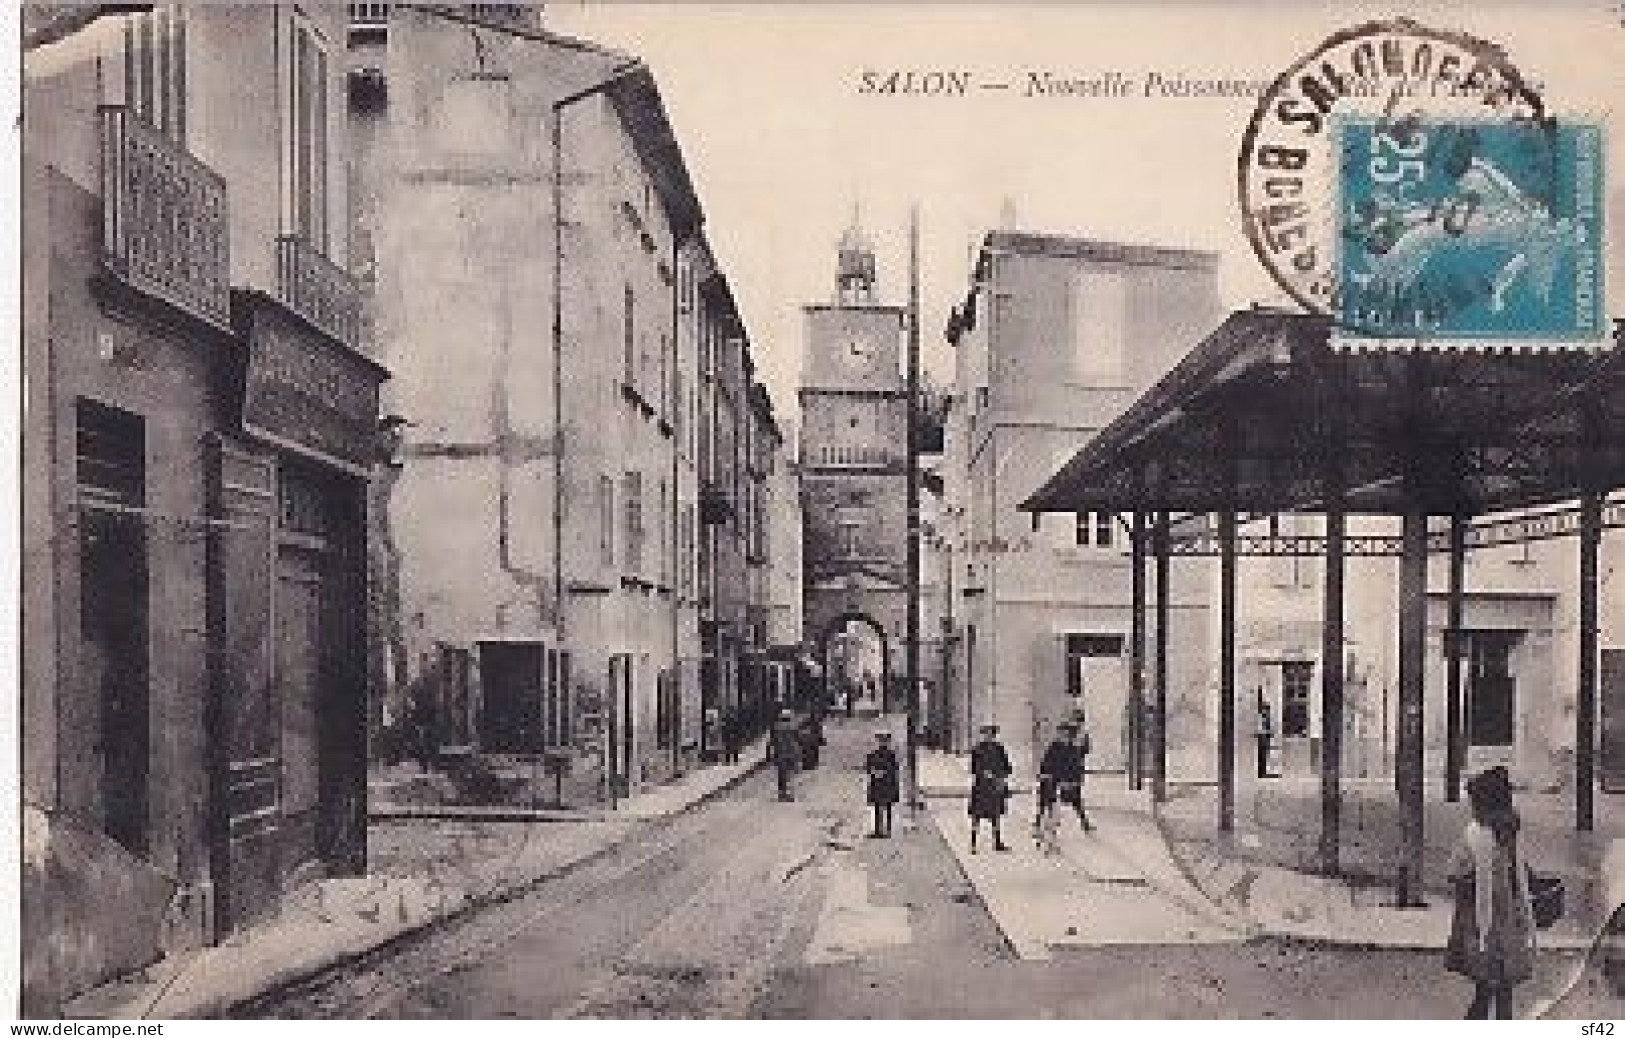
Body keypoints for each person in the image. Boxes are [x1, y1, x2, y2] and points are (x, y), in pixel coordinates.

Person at [1446, 766, 1536, 1019]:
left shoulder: (1474, 834)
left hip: (1480, 922)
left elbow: (1454, 871)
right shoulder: (1511, 831)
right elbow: (1520, 874)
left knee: (1483, 992)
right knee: (1504, 993)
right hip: (1508, 921)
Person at [1037, 721, 1095, 842]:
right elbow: (1046, 763)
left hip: (1068, 780)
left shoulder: (1073, 750)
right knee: (1046, 802)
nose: (1062, 736)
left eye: (1065, 733)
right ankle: (1040, 824)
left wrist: (1075, 781)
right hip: (1053, 780)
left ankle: (1084, 823)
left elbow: (1077, 766)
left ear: (1069, 735)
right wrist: (1044, 774)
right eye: (1061, 733)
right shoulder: (1053, 747)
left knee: (1077, 802)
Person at [967, 723, 1012, 853]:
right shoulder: (978, 750)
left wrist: (1001, 776)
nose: (988, 737)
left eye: (991, 734)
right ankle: (973, 843)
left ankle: (997, 842)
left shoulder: (1000, 749)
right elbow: (974, 768)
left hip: (995, 787)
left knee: (996, 815)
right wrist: (984, 773)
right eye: (986, 734)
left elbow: (1007, 767)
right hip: (981, 787)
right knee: (976, 816)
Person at [865, 731, 901, 837]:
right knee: (877, 807)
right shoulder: (873, 754)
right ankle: (877, 829)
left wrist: (882, 773)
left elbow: (894, 769)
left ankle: (887, 829)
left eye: (885, 741)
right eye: (881, 741)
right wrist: (874, 772)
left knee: (888, 807)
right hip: (877, 783)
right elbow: (868, 767)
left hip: (887, 784)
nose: (883, 743)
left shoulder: (891, 755)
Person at [769, 709, 802, 801]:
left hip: (780, 753)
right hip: (791, 753)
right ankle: (789, 793)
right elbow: (798, 740)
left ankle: (782, 793)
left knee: (781, 774)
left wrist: (771, 753)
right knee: (790, 773)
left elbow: (772, 741)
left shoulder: (776, 728)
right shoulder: (793, 727)